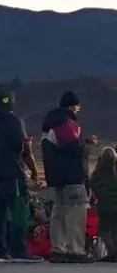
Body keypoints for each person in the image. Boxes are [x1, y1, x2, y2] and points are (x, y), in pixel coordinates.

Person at [0, 92, 41, 263]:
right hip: (13, 174)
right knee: (20, 212)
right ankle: (18, 250)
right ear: (12, 105)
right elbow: (25, 149)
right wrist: (34, 171)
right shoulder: (15, 123)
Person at [41, 90, 97, 263]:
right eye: (77, 107)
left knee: (59, 211)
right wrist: (87, 145)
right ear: (72, 106)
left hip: (56, 176)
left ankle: (59, 248)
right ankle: (76, 249)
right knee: (76, 211)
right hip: (72, 175)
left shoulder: (50, 122)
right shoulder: (66, 123)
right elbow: (72, 149)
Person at [90, 147, 117, 261]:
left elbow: (92, 185)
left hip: (104, 205)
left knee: (103, 229)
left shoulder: (97, 172)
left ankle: (112, 251)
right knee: (115, 229)